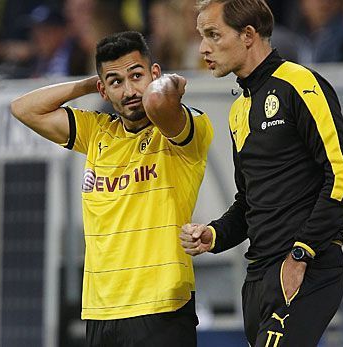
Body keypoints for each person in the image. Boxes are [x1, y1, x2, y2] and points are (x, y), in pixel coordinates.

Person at [11, 31, 213, 346]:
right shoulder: (97, 133)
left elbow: (162, 102)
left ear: (154, 74)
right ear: (104, 91)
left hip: (161, 308)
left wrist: (150, 86)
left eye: (137, 75)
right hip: (101, 310)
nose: (130, 90)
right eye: (116, 82)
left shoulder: (184, 130)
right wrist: (90, 84)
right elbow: (23, 108)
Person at [180, 1, 343, 346]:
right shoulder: (239, 108)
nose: (203, 47)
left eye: (213, 35)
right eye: (202, 36)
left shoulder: (299, 83)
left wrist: (301, 252)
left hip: (305, 267)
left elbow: (342, 177)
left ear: (248, 35)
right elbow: (249, 202)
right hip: (259, 277)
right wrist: (214, 235)